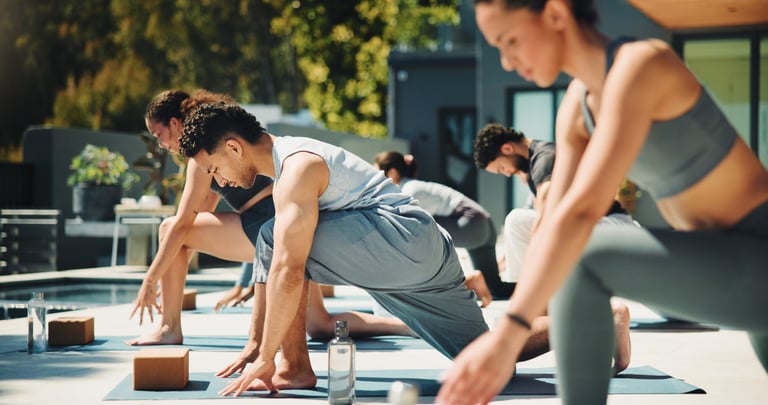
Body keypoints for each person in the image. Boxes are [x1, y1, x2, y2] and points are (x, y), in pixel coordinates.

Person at [437, 1, 768, 404]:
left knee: (585, 255)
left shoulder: (641, 65)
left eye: (510, 41)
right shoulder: (577, 106)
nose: (507, 62)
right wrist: (514, 324)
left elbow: (581, 212)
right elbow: (555, 219)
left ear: (556, 14)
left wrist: (510, 334)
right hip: (720, 261)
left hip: (757, 251)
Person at [177, 102, 490, 396]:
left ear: (234, 148)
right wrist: (257, 345)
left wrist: (266, 354)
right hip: (426, 255)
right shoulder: (292, 158)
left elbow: (287, 270)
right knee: (490, 352)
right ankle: (522, 319)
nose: (220, 180)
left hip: (404, 239)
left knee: (277, 238)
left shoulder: (296, 166)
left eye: (215, 169)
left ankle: (294, 367)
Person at [128, 89, 412, 346]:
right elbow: (202, 216)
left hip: (265, 221)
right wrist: (177, 276)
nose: (160, 144)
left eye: (158, 135)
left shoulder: (202, 156)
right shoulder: (214, 149)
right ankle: (406, 325)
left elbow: (182, 225)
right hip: (284, 220)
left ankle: (169, 326)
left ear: (175, 124)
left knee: (169, 228)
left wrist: (150, 280)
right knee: (320, 325)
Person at [473, 123, 637, 283]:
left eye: (501, 168)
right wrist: (512, 253)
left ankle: (527, 292)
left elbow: (544, 214)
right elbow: (534, 210)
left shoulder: (544, 159)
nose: (507, 174)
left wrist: (529, 254)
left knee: (516, 220)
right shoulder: (533, 163)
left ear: (508, 149)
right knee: (521, 223)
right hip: (592, 226)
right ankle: (528, 290)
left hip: (609, 226)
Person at [373, 150, 500, 303]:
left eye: (377, 173)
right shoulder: (414, 186)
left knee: (413, 234)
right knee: (496, 288)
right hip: (484, 225)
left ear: (392, 173)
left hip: (471, 225)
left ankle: (462, 281)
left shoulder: (409, 190)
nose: (375, 179)